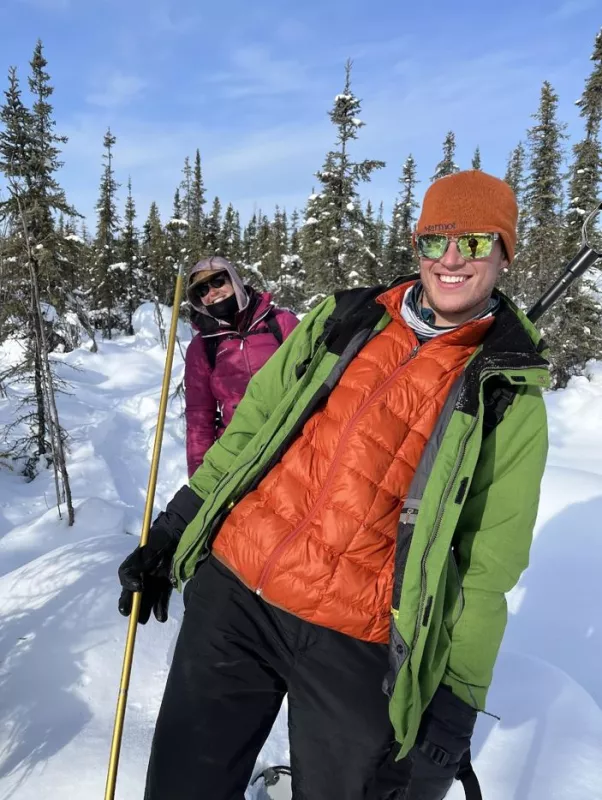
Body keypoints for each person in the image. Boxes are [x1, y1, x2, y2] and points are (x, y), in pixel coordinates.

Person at [118, 171, 550, 800]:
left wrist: (455, 698)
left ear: (505, 253)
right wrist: (173, 530)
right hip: (237, 590)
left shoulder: (506, 394)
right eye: (437, 240)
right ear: (417, 245)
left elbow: (487, 565)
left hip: (358, 638)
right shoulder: (344, 319)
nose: (452, 260)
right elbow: (248, 436)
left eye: (477, 242)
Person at [184, 256, 299, 476]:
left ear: (234, 280)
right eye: (202, 290)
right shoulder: (202, 347)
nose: (212, 292)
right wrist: (200, 476)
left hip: (292, 435)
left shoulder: (280, 323)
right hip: (240, 450)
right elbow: (199, 416)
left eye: (218, 281)